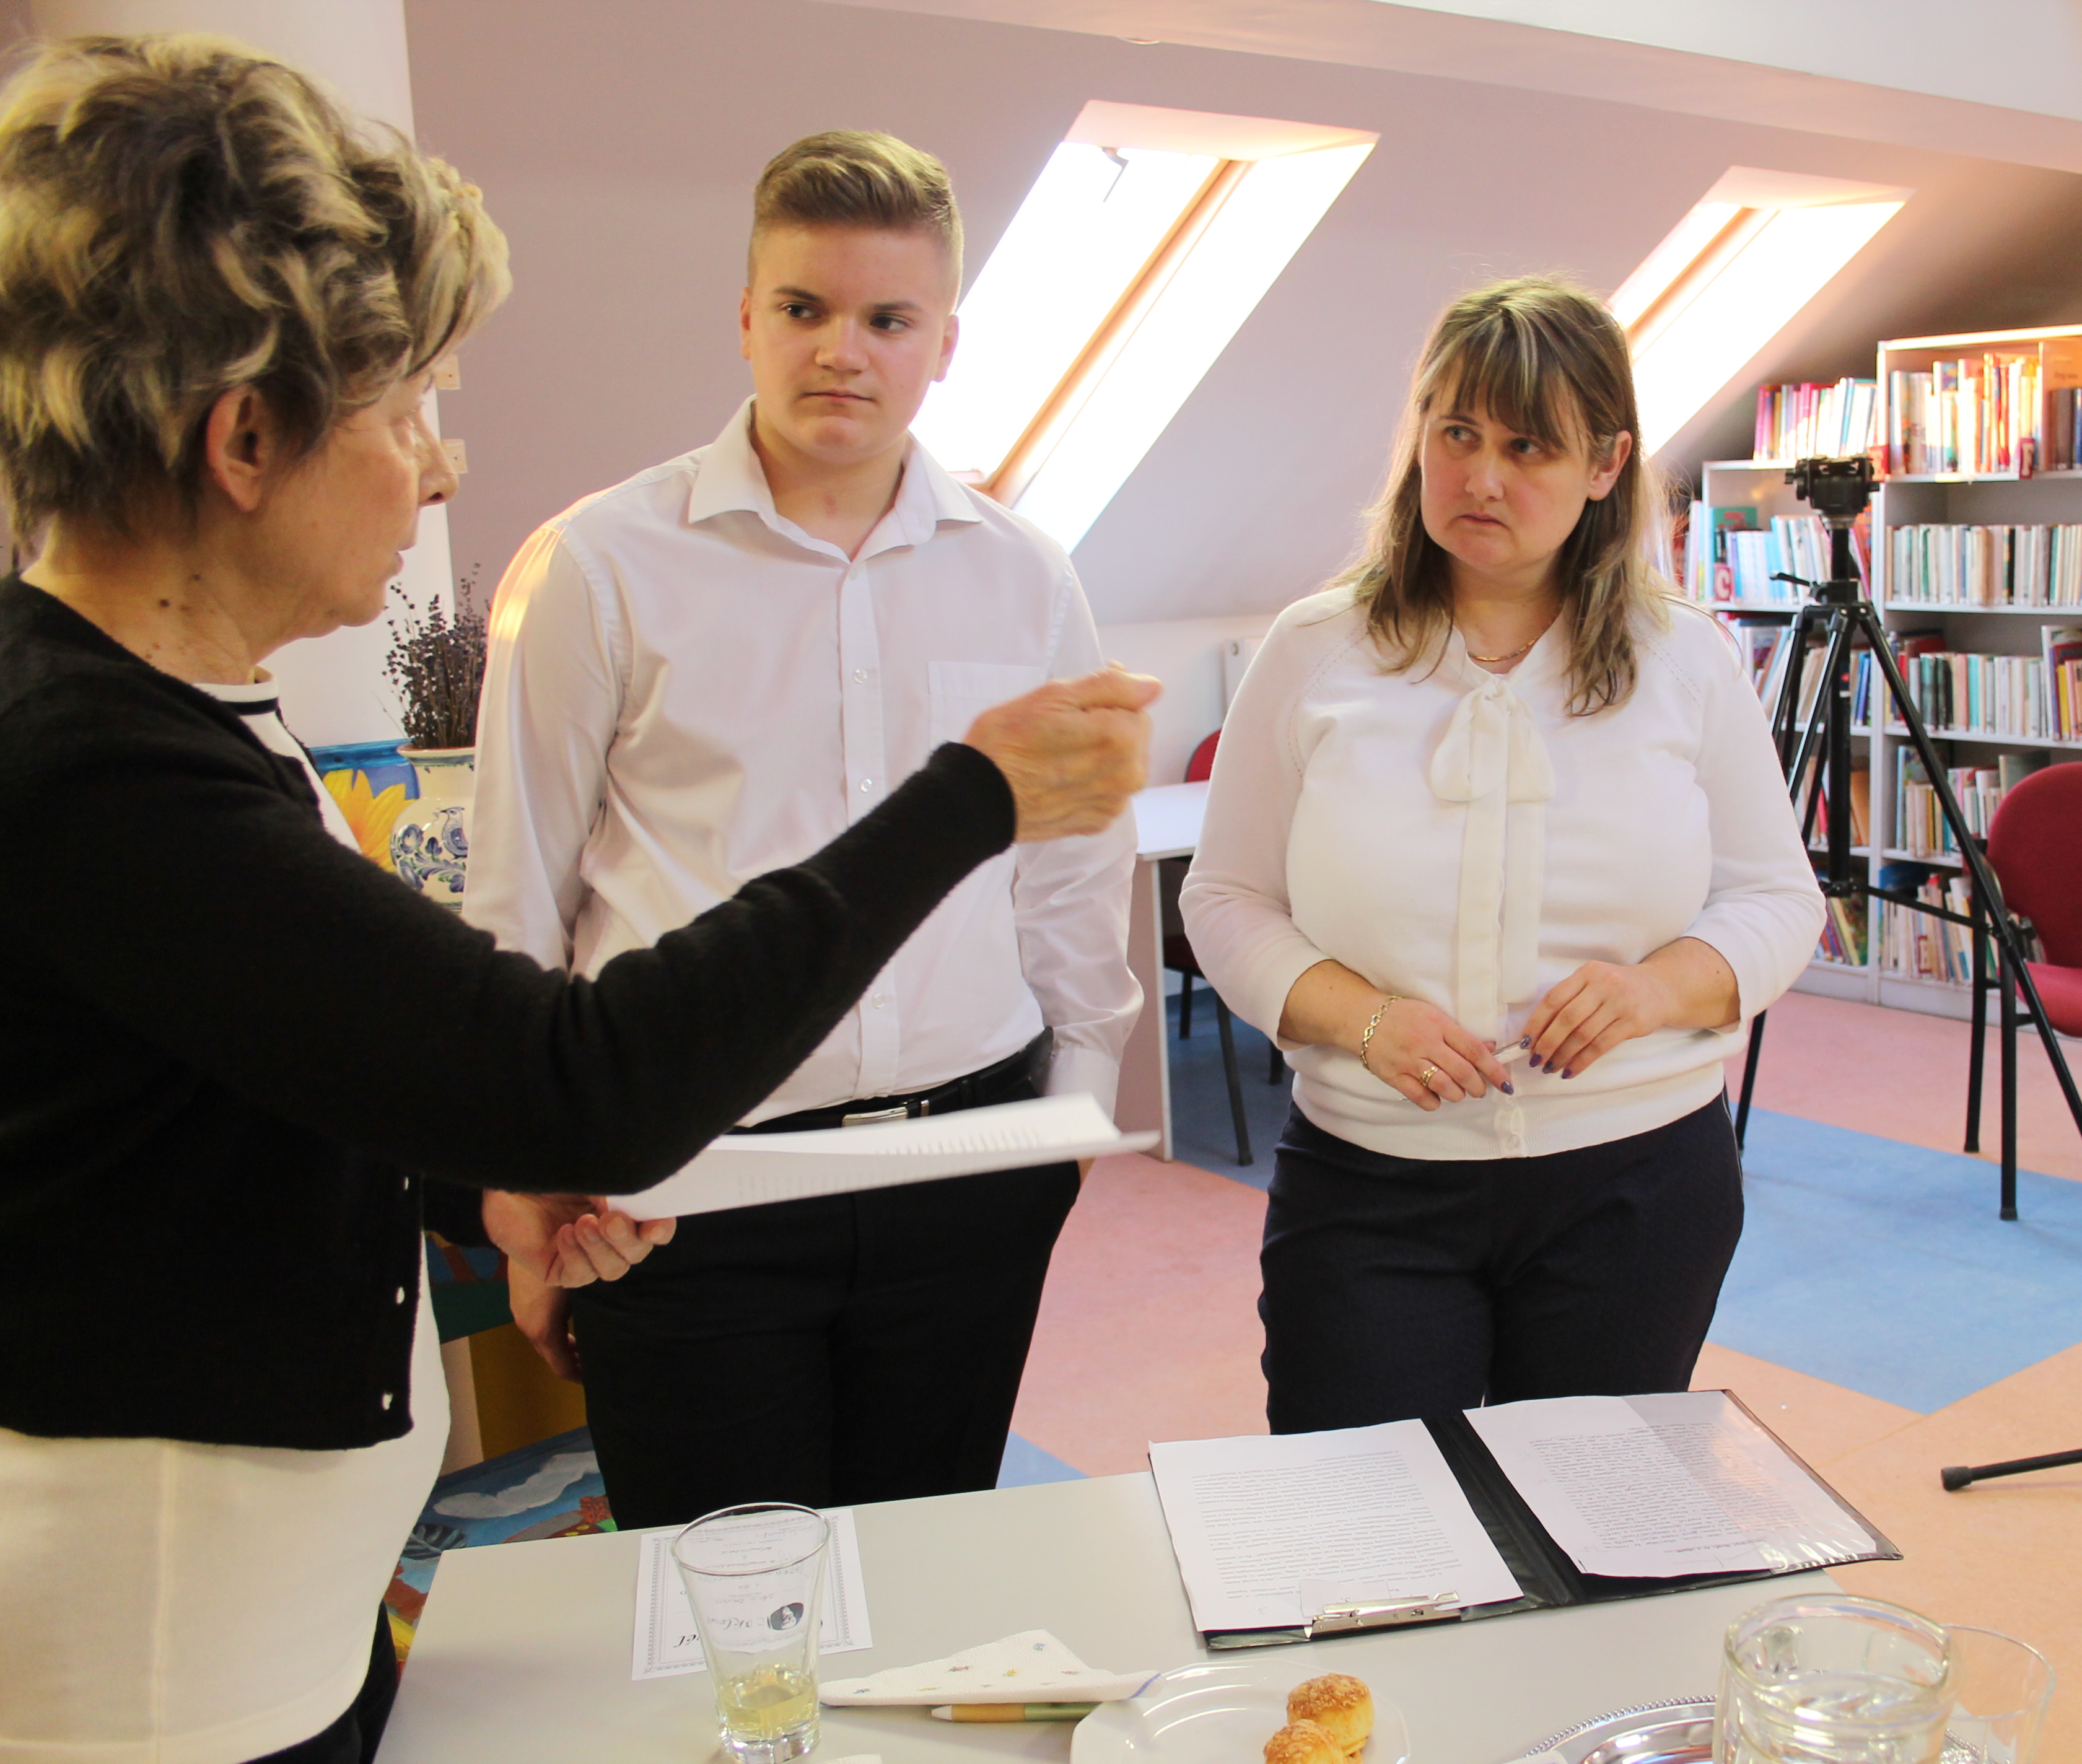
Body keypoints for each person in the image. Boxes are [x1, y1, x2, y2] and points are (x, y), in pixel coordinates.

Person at [0, 37, 1153, 1764]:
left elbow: (301, 1065)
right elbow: (561, 1060)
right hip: (166, 1656)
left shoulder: (180, 725)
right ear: (246, 437)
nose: (440, 469)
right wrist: (969, 793)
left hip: (259, 1610)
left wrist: (496, 1186)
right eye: (408, 410)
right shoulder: (99, 768)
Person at [464, 130, 1144, 1527]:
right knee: (722, 1605)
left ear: (943, 343)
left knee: (926, 1577)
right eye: (803, 308)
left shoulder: (1025, 577)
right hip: (689, 1187)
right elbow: (518, 891)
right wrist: (523, 1179)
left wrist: (1069, 1120)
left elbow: (1072, 873)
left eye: (887, 318)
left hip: (966, 1169)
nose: (842, 350)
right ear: (746, 318)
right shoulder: (599, 564)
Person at [1179, 276, 1826, 1433]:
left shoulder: (1685, 658)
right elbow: (1227, 899)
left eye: (1528, 446)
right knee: (1372, 1518)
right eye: (1457, 434)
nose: (1481, 478)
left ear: (1606, 464)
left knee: (1587, 1519)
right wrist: (1362, 1018)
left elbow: (1779, 900)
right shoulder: (1317, 648)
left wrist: (1652, 991)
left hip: (1638, 1181)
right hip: (1372, 1178)